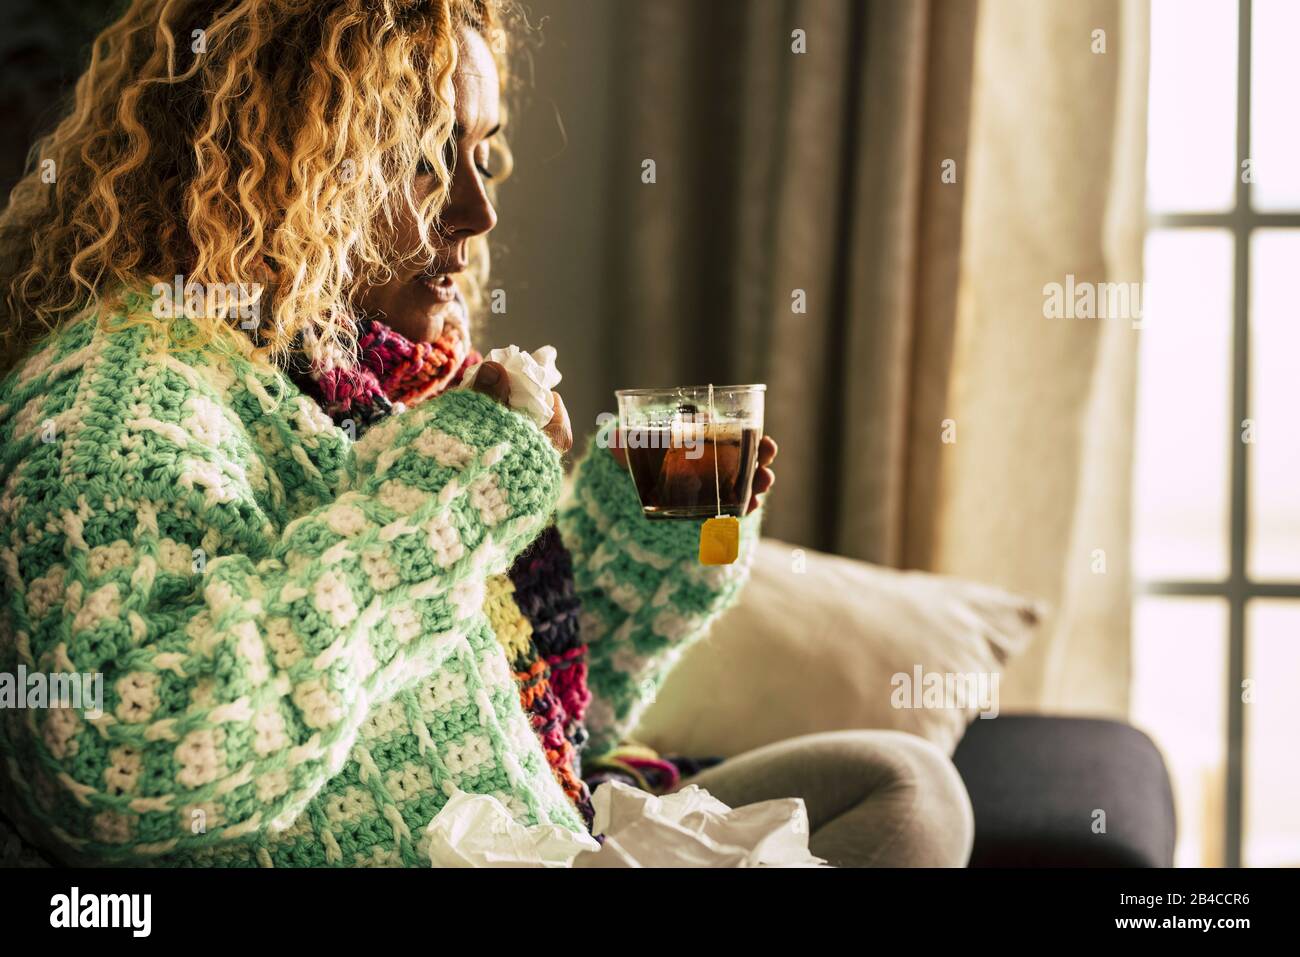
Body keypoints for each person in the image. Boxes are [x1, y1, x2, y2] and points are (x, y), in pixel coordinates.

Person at [0, 0, 971, 867]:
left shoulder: (379, 387)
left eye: (483, 152)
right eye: (425, 162)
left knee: (898, 782)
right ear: (288, 164)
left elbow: (536, 718)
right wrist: (460, 480)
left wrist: (653, 535)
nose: (478, 208)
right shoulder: (115, 402)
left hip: (539, 825)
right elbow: (123, 765)